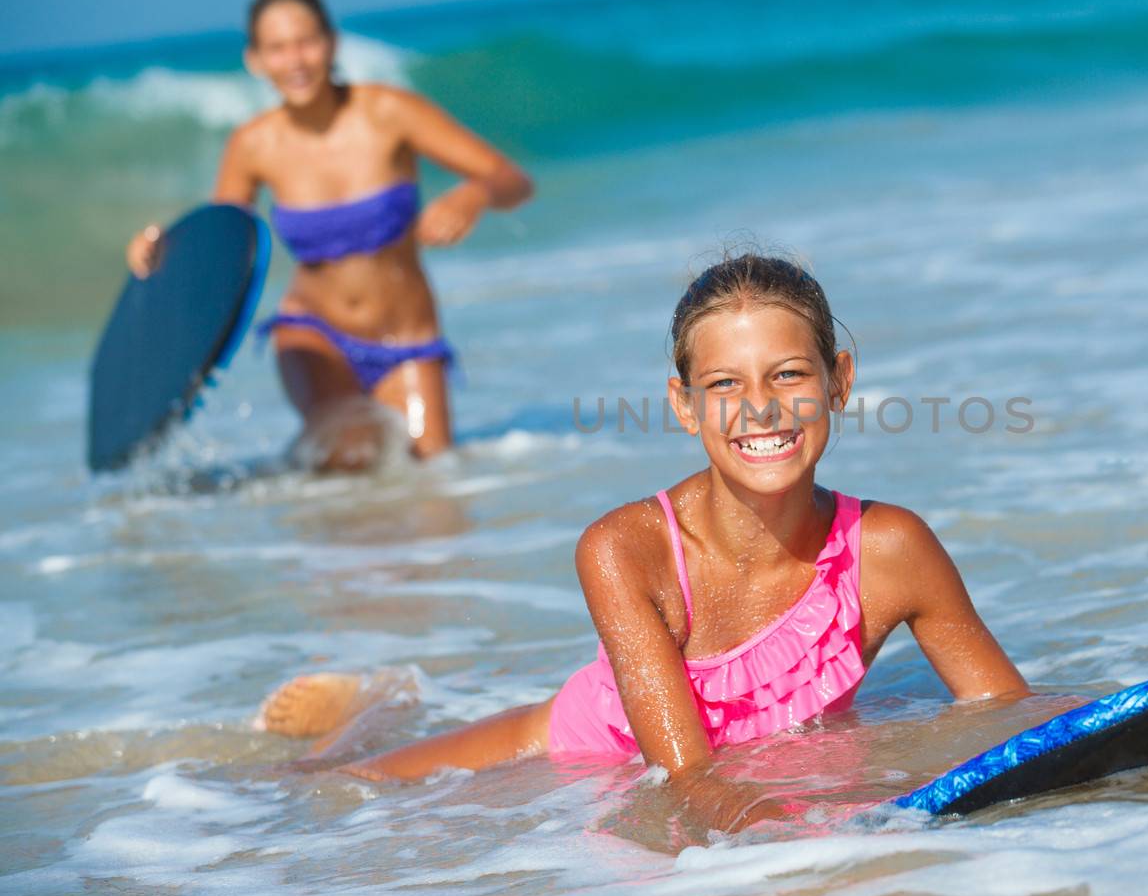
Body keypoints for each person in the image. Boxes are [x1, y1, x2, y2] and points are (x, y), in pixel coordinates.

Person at [256, 254, 1035, 830]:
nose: (760, 408)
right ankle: (375, 703)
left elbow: (1006, 714)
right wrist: (794, 836)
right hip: (573, 747)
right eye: (725, 384)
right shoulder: (625, 549)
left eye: (790, 375)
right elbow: (688, 777)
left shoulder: (890, 549)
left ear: (840, 381)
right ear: (684, 405)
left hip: (715, 768)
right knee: (325, 786)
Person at [126, 0, 533, 469]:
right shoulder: (254, 145)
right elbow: (220, 252)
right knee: (352, 470)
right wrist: (160, 250)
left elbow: (511, 178)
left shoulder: (389, 112)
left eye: (306, 42)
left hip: (409, 338)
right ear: (255, 60)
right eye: (277, 48)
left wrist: (475, 193)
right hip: (313, 336)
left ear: (332, 43)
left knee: (435, 483)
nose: (295, 60)